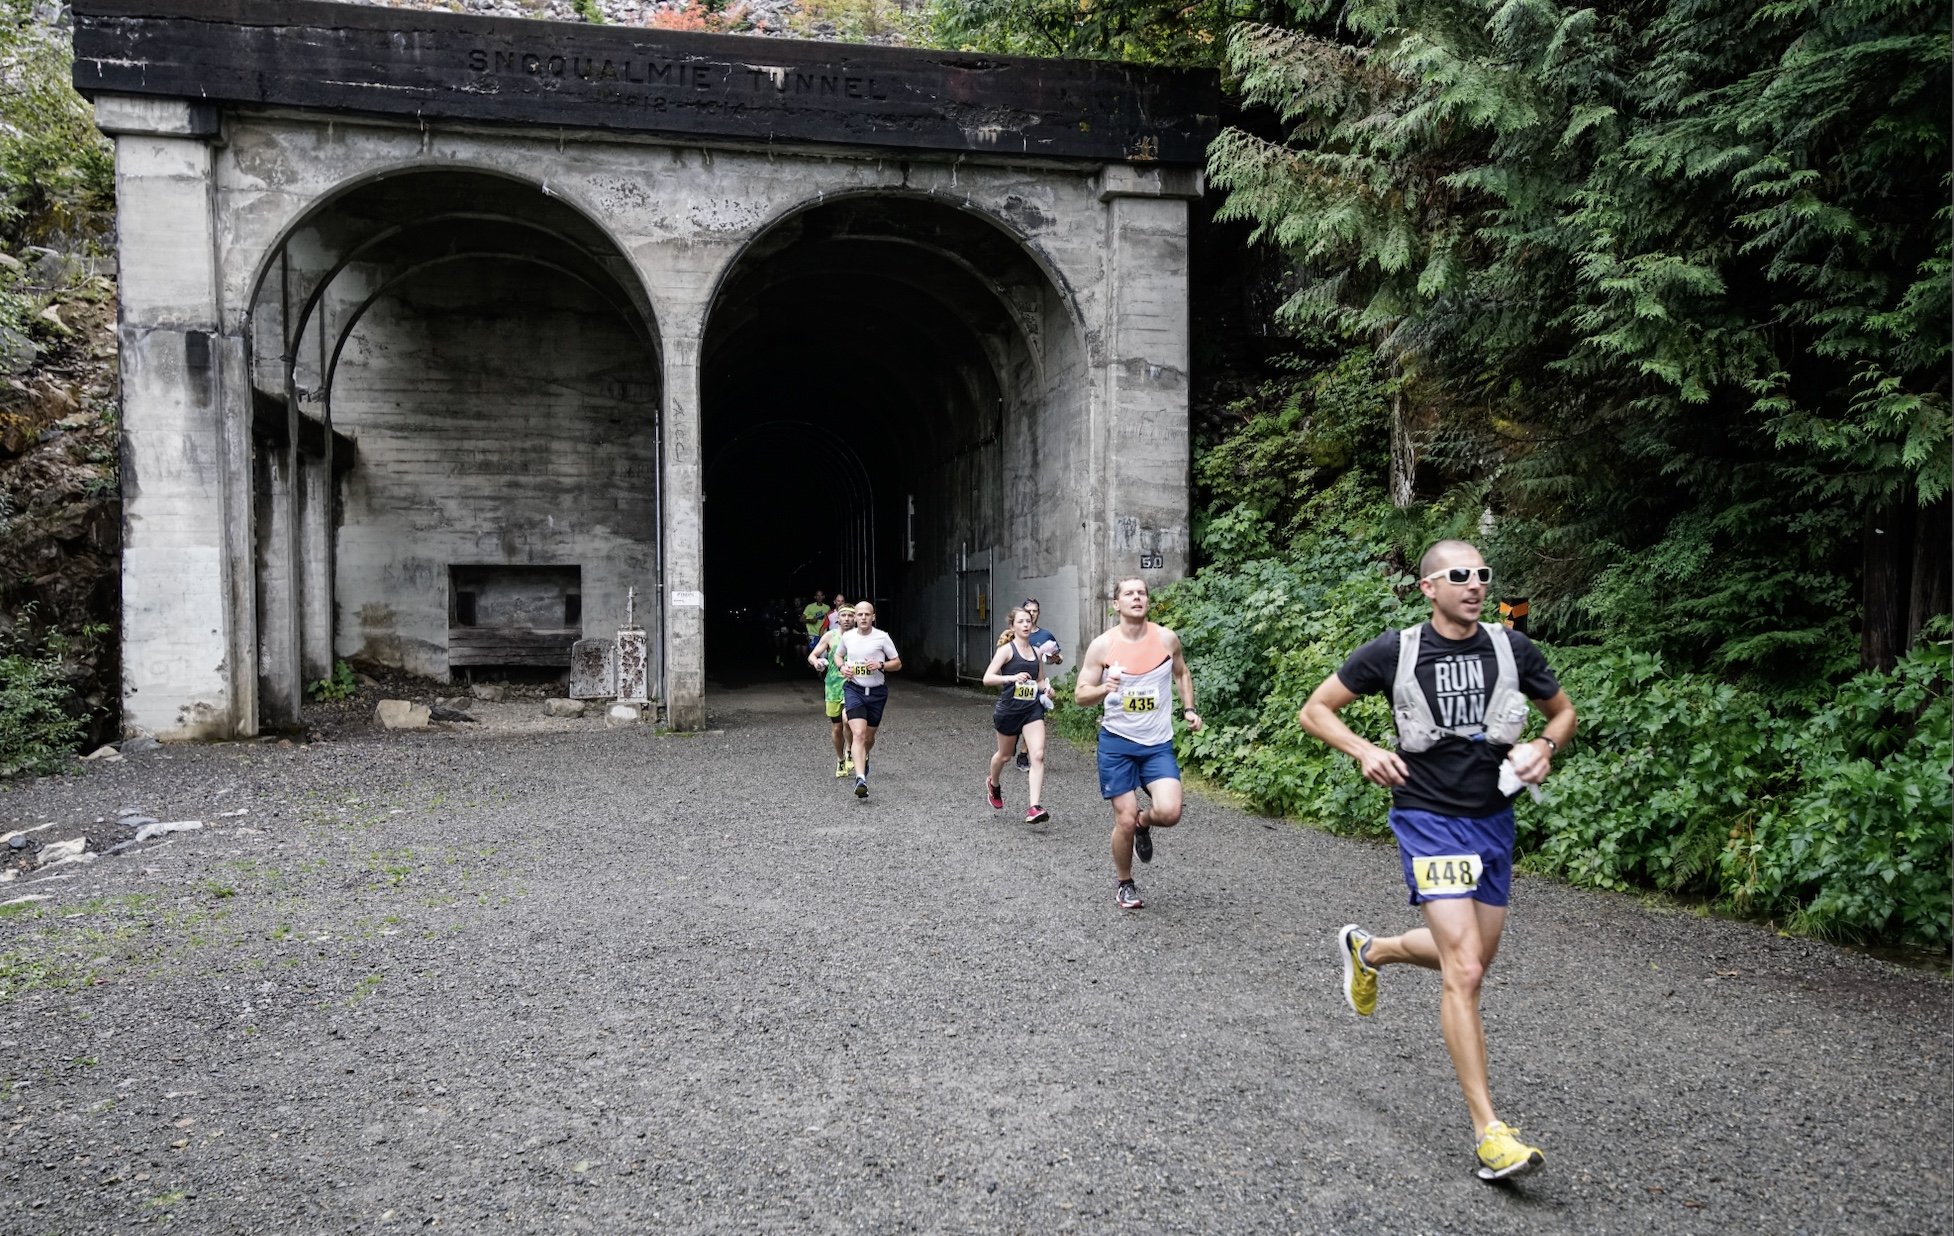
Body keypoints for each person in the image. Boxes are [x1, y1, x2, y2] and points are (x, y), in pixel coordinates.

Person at [1297, 539, 1576, 1182]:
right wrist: (1362, 749)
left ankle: (1371, 952)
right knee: (1467, 969)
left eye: (1482, 575)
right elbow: (1316, 711)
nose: (1475, 585)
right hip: (1427, 819)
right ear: (1429, 588)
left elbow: (1563, 714)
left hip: (1493, 820)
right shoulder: (1396, 651)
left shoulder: (1513, 649)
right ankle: (1490, 1133)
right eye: (1459, 576)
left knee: (1477, 954)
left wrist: (1545, 745)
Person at [1073, 577, 1202, 910]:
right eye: (1128, 593)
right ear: (1116, 604)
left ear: (1147, 601)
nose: (1136, 597)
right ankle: (1124, 883)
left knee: (1171, 812)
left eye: (1141, 593)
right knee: (1125, 818)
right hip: (1117, 744)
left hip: (1157, 744)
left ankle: (1146, 824)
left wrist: (1189, 709)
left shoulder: (1166, 639)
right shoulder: (1102, 646)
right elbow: (1079, 695)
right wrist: (1104, 688)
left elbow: (1182, 673)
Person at [982, 607, 1052, 824]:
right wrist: (1011, 678)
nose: (1026, 624)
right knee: (1004, 756)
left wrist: (1047, 689)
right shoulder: (1007, 651)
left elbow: (1039, 680)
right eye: (1021, 621)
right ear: (1013, 626)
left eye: (1028, 621)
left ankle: (1034, 807)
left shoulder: (1037, 652)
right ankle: (993, 783)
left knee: (1038, 754)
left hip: (1032, 709)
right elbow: (987, 678)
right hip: (1009, 710)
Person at [837, 601, 901, 799]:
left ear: (873, 616)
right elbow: (838, 657)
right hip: (854, 689)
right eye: (860, 614)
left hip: (876, 692)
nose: (863, 618)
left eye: (867, 614)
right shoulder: (847, 637)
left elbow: (897, 663)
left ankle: (864, 756)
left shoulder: (882, 637)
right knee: (858, 733)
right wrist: (842, 668)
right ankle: (860, 779)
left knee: (868, 738)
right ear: (855, 617)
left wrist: (880, 664)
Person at [807, 604, 857, 779]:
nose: (846, 619)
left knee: (848, 719)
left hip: (853, 684)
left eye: (850, 616)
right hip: (833, 686)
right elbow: (812, 655)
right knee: (837, 727)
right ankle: (840, 759)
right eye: (843, 615)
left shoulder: (861, 637)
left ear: (855, 618)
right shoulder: (830, 636)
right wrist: (817, 662)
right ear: (838, 618)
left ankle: (851, 751)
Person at [1014, 598, 1063, 771]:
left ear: (1038, 613)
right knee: (1016, 723)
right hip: (1016, 685)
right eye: (1028, 611)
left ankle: (1024, 754)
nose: (1032, 614)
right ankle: (1011, 747)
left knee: (1033, 719)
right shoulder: (1014, 633)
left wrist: (1056, 659)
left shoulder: (1045, 636)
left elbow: (1055, 658)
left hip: (1036, 685)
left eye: (1035, 611)